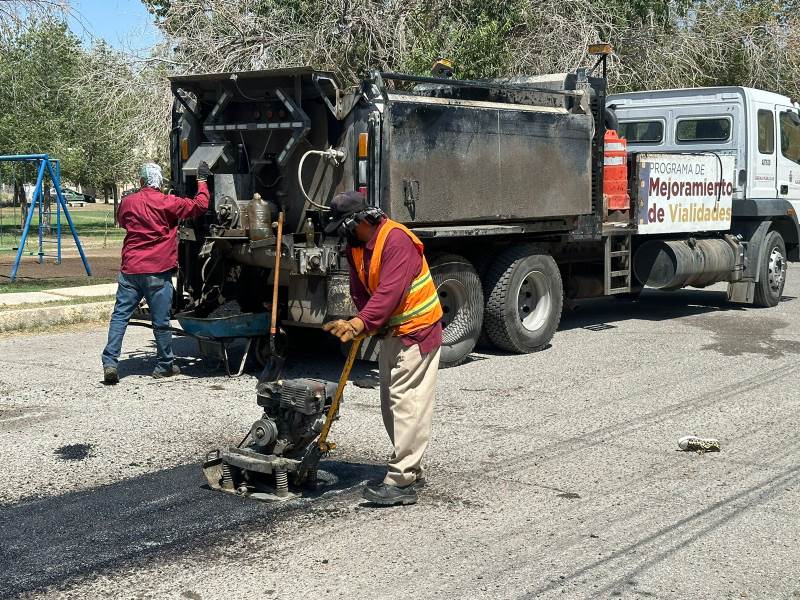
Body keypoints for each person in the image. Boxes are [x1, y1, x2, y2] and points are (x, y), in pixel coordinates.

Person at [322, 191, 443, 506]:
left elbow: (389, 292)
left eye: (346, 229)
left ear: (360, 220)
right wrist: (360, 321)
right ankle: (409, 467)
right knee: (392, 405)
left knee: (407, 403)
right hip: (393, 332)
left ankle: (401, 480)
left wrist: (361, 324)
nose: (344, 237)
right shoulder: (357, 246)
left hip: (418, 330)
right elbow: (360, 290)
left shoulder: (396, 241)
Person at [101, 162, 211, 384]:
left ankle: (110, 363)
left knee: (120, 317)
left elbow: (123, 221)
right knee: (161, 322)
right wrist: (202, 181)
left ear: (141, 181)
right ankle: (164, 365)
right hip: (158, 271)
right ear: (159, 182)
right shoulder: (169, 202)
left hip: (130, 270)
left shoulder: (128, 202)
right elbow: (200, 206)